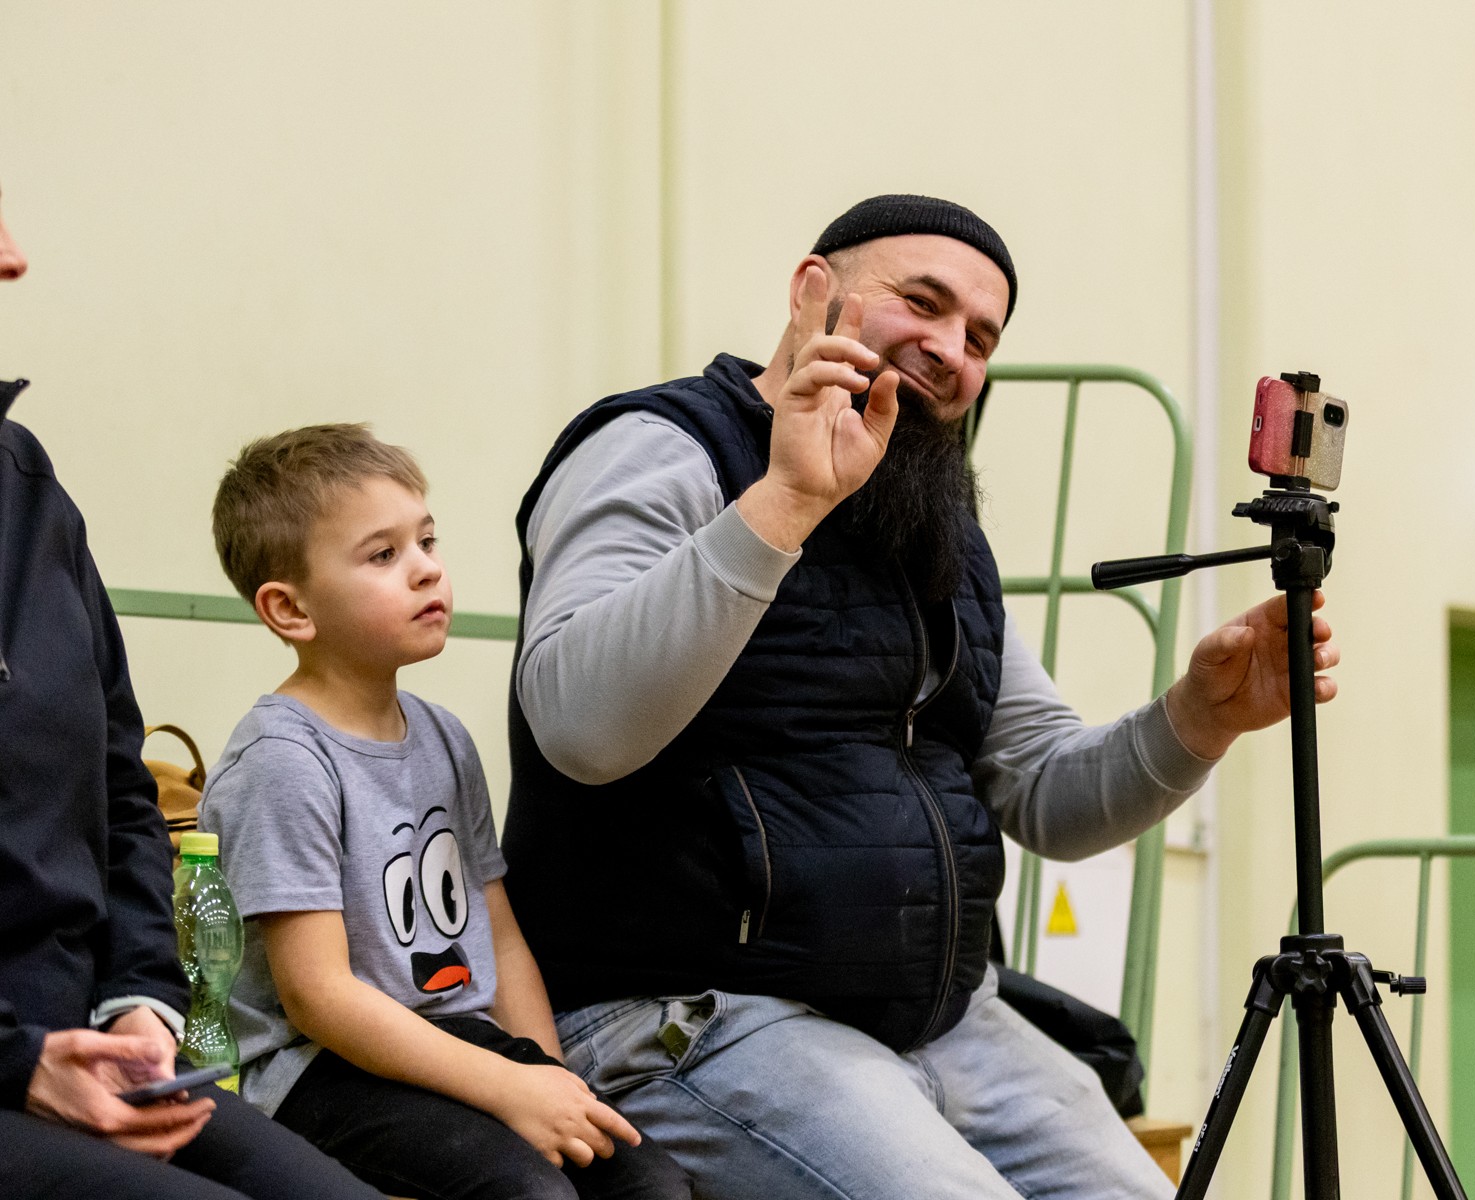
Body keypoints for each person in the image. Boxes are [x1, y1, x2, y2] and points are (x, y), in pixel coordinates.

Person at [502, 194, 1341, 1199]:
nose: (950, 349)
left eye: (980, 337)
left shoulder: (937, 530)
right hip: (692, 1017)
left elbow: (1046, 793)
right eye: (923, 302)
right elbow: (581, 730)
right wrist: (786, 502)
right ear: (812, 290)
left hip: (940, 1024)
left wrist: (1201, 718)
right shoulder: (663, 447)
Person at [0, 193, 381, 1199]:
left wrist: (139, 1001)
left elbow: (122, 793)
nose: (15, 257)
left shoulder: (27, 487)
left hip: (82, 1044)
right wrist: (19, 1062)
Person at [198, 425, 692, 1200]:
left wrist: (549, 1079)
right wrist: (504, 1087)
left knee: (649, 1186)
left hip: (457, 1041)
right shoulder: (281, 762)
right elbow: (318, 997)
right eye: (383, 555)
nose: (427, 568)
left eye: (427, 541)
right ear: (290, 609)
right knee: (530, 1192)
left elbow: (498, 934)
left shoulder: (444, 738)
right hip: (316, 1072)